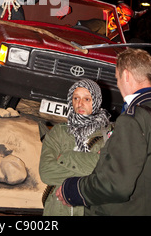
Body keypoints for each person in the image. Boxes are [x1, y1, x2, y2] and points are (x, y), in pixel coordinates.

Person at [57, 48, 151, 216]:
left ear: (126, 76)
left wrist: (73, 190)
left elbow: (115, 185)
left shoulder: (133, 118)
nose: (117, 84)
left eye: (117, 78)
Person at [39, 79, 112, 216]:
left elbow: (109, 174)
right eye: (76, 98)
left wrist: (67, 158)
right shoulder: (59, 132)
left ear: (96, 101)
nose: (80, 103)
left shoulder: (110, 134)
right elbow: (46, 171)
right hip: (58, 209)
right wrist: (94, 163)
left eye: (87, 99)